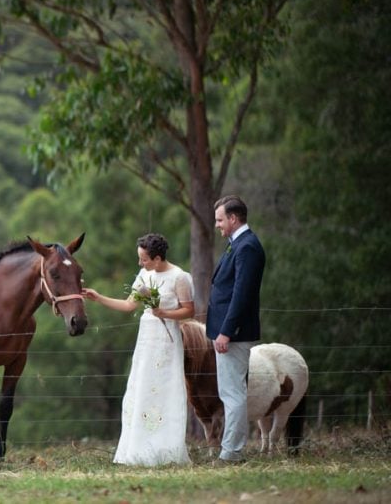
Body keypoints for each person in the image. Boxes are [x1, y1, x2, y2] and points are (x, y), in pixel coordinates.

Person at [83, 233, 195, 466]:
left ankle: (166, 450)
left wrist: (165, 313)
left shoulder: (179, 277)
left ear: (157, 258)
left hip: (167, 342)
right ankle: (139, 449)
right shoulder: (145, 275)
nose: (140, 264)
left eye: (143, 259)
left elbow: (189, 311)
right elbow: (129, 305)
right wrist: (98, 298)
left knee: (164, 390)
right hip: (146, 339)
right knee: (141, 388)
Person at [207, 194, 265, 464]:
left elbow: (242, 294)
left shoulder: (248, 247)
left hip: (234, 333)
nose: (217, 224)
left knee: (233, 393)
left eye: (220, 219)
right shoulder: (237, 244)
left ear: (233, 218)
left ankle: (231, 452)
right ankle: (231, 450)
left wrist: (227, 331)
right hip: (227, 331)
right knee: (229, 391)